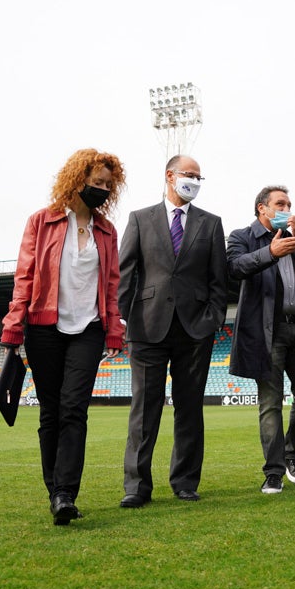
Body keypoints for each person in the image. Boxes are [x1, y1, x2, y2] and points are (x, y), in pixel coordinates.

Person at [0, 148, 126, 525]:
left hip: (88, 329)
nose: (102, 189)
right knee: (51, 411)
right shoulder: (41, 222)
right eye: (96, 182)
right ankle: (54, 490)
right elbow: (25, 276)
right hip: (43, 327)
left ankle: (66, 493)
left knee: (75, 408)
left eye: (108, 184)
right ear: (77, 180)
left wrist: (115, 329)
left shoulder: (107, 230)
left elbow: (112, 284)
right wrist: (14, 324)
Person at [117, 155, 227, 508]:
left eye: (199, 176)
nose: (194, 181)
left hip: (196, 329)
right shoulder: (139, 219)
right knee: (144, 409)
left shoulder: (211, 224)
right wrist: (118, 321)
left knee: (190, 409)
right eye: (188, 175)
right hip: (146, 326)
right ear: (169, 176)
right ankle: (136, 486)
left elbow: (218, 280)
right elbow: (125, 274)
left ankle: (184, 481)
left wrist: (214, 319)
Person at [227, 186, 295, 494]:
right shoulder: (241, 236)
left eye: (288, 203)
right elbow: (235, 267)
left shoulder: (294, 238)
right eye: (279, 203)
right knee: (270, 403)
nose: (286, 207)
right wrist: (270, 253)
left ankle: (292, 457)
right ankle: (273, 472)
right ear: (262, 208)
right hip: (266, 332)